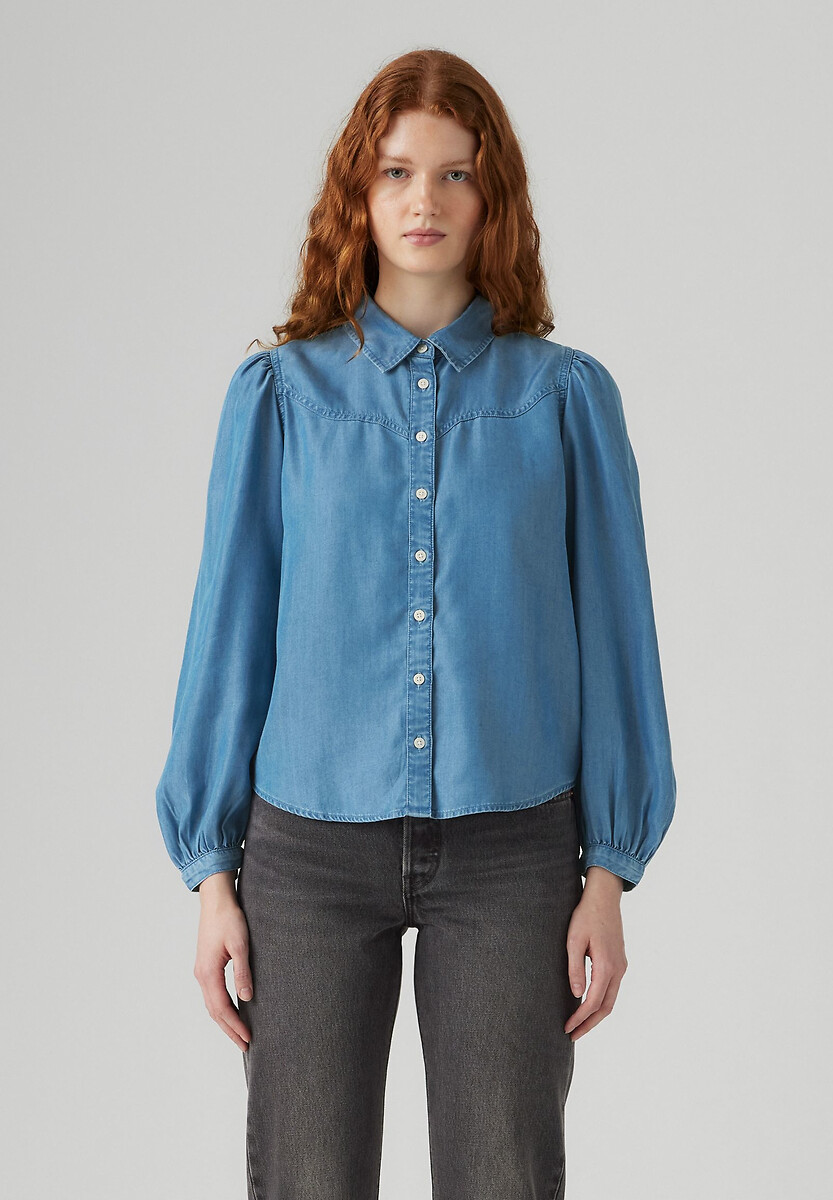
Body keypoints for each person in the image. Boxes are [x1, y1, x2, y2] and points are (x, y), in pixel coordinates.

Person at [155, 47, 676, 1200]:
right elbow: (227, 634)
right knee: (307, 1179)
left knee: (504, 1178)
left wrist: (607, 871)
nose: (422, 200)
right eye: (395, 171)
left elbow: (617, 643)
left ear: (493, 197)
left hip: (511, 851)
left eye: (453, 174)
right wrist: (209, 874)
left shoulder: (562, 399)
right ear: (359, 189)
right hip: (304, 852)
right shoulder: (282, 397)